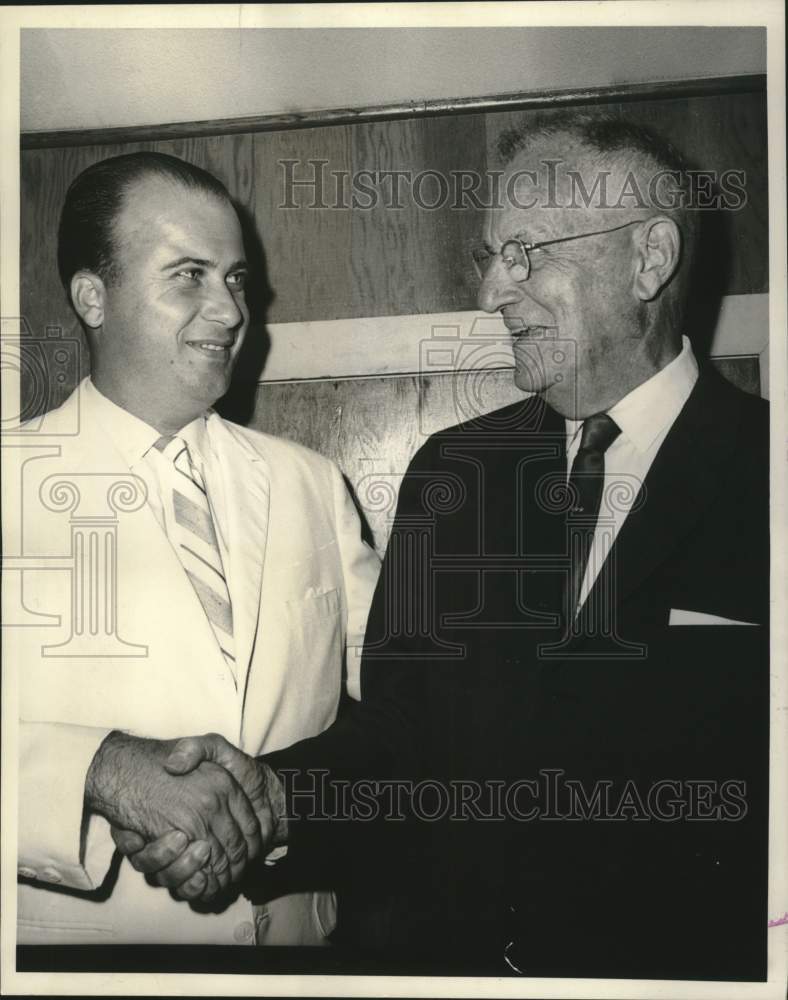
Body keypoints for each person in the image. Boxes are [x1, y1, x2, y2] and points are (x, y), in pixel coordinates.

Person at [113, 114, 769, 978]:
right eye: (490, 256)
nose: (494, 289)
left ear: (649, 259)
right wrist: (268, 801)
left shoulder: (771, 472)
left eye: (529, 251)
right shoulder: (454, 473)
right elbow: (398, 737)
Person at [10, 151, 380, 947]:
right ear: (92, 296)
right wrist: (98, 773)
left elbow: (411, 715)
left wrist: (278, 803)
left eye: (238, 280)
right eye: (190, 275)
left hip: (302, 953)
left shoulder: (313, 485)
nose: (229, 311)